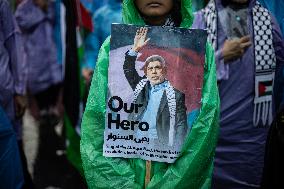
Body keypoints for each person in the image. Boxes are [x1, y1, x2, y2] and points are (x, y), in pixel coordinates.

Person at [80, 0, 219, 188]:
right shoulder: (113, 49)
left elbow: (202, 132)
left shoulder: (199, 51)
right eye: (150, 68)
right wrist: (122, 184)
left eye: (157, 68)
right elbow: (96, 126)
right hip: (126, 170)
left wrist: (170, 183)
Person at [192, 0, 284, 188]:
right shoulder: (200, 21)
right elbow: (185, 78)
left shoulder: (267, 20)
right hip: (208, 133)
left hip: (251, 136)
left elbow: (279, 64)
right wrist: (219, 57)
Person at [123, 27, 188, 146]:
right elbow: (129, 70)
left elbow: (180, 125)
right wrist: (135, 49)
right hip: (134, 140)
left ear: (164, 71)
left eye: (157, 68)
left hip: (160, 144)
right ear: (146, 72)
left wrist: (176, 150)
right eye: (150, 69)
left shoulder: (176, 95)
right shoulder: (141, 87)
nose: (154, 71)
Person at [15, 0, 62, 119]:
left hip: (54, 69)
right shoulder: (23, 9)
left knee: (56, 113)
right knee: (41, 116)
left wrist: (46, 8)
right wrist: (40, 10)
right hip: (37, 72)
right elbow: (23, 22)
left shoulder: (52, 5)